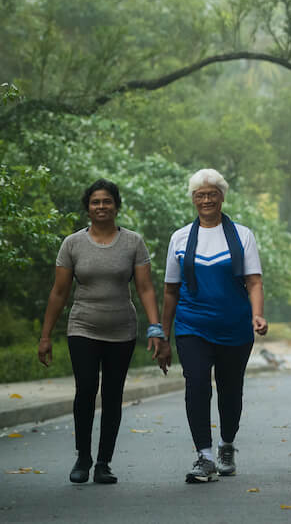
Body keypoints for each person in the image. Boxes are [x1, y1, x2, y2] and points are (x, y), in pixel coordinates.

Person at [38, 179, 164, 484]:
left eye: (107, 201)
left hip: (122, 330)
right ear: (88, 207)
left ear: (116, 206)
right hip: (83, 326)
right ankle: (83, 457)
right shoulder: (72, 244)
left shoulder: (133, 242)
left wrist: (155, 328)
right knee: (85, 391)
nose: (101, 207)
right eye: (95, 202)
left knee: (112, 395)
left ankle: (104, 463)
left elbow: (145, 288)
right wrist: (45, 336)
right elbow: (58, 292)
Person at [157, 169, 268, 484]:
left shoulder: (242, 235)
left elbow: (254, 281)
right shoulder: (179, 238)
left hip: (234, 327)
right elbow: (170, 291)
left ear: (222, 197)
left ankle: (226, 444)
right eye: (200, 195)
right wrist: (163, 335)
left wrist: (257, 314)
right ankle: (204, 456)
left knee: (231, 390)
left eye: (211, 194)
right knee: (197, 385)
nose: (206, 200)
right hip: (192, 325)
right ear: (193, 199)